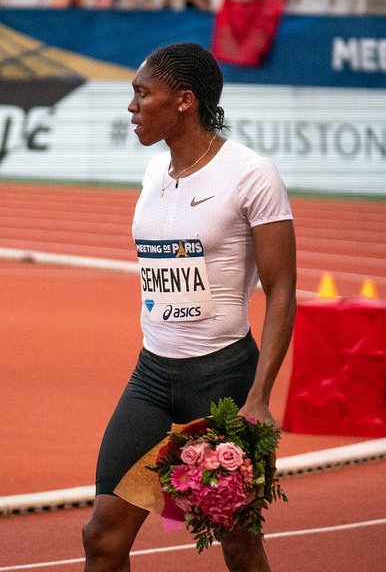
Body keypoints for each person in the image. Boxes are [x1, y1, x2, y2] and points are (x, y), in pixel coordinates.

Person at [82, 42, 297, 572]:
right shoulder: (154, 172)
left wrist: (259, 396)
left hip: (221, 380)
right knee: (102, 540)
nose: (131, 107)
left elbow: (283, 289)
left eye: (141, 94)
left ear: (184, 101)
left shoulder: (252, 174)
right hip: (152, 377)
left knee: (240, 545)